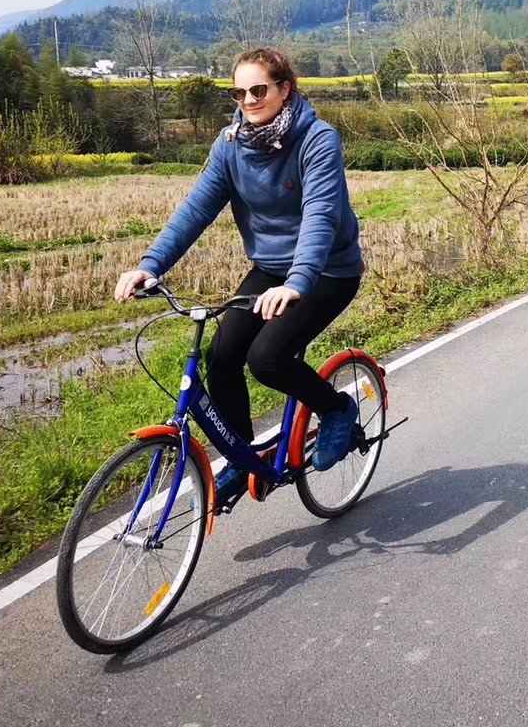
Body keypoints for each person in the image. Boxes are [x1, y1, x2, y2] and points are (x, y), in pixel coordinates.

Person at [114, 46, 364, 500]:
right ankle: (243, 456)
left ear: (284, 90)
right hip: (271, 269)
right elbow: (195, 210)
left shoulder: (317, 141)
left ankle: (337, 409)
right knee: (221, 356)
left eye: (259, 89)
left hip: (327, 270)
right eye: (240, 92)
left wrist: (297, 282)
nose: (248, 100)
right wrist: (149, 265)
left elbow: (320, 217)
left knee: (266, 358)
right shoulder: (230, 146)